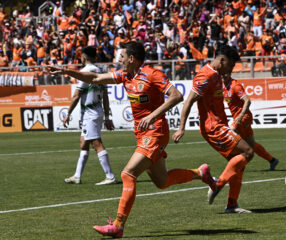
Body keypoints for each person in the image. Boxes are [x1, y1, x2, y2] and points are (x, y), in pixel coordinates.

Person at [50, 41, 215, 238]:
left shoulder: (152, 74)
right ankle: (200, 173)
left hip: (155, 131)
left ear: (132, 59)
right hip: (142, 133)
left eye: (121, 56)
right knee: (162, 181)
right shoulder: (125, 75)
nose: (118, 60)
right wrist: (67, 71)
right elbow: (94, 77)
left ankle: (118, 225)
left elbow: (177, 96)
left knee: (128, 174)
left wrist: (152, 115)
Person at [172, 45, 254, 214]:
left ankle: (232, 205)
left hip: (220, 125)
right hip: (213, 127)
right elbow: (188, 101)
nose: (230, 70)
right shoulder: (205, 75)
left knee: (240, 164)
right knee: (248, 152)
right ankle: (217, 185)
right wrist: (181, 128)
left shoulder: (217, 75)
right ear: (222, 60)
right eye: (230, 66)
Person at [63, 46, 117, 185]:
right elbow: (105, 95)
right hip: (96, 112)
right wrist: (107, 117)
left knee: (97, 144)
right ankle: (77, 176)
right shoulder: (100, 71)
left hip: (90, 114)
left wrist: (68, 113)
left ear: (83, 57)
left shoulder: (85, 72)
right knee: (83, 143)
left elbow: (77, 95)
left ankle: (110, 176)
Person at [223, 75, 279, 171]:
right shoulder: (222, 87)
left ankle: (237, 165)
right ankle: (272, 160)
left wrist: (240, 116)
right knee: (251, 144)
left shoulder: (235, 85)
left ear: (228, 72)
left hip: (243, 118)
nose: (222, 75)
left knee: (229, 134)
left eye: (224, 73)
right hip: (238, 118)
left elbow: (247, 101)